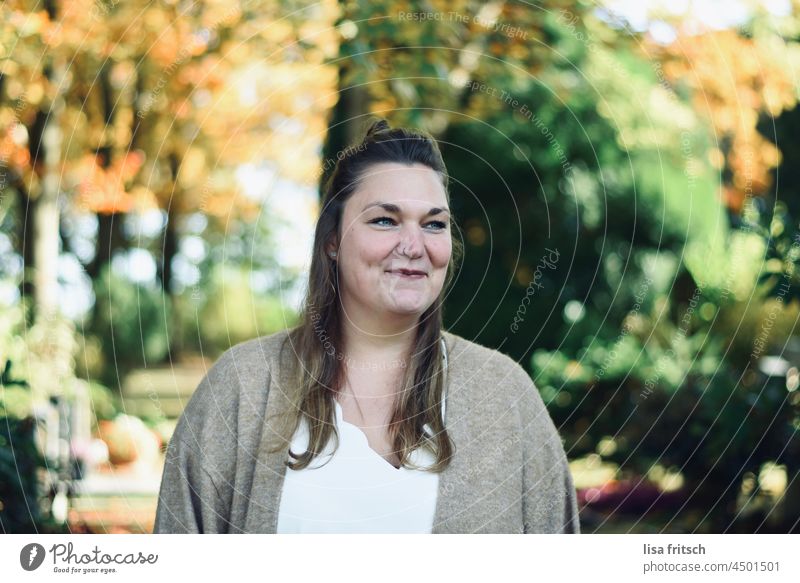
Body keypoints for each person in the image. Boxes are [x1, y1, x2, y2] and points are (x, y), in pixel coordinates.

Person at [153, 118, 580, 533]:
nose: (414, 246)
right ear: (333, 240)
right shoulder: (242, 388)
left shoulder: (504, 397)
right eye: (384, 220)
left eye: (434, 224)